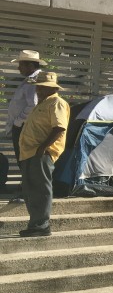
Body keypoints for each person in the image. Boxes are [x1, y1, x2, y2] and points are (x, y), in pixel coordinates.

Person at [17, 72, 70, 237]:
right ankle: (35, 224)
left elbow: (59, 128)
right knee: (30, 190)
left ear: (52, 88)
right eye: (38, 87)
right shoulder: (42, 103)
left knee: (40, 189)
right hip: (29, 153)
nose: (38, 90)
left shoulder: (56, 102)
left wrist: (42, 148)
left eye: (42, 87)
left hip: (41, 153)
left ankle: (41, 225)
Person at [5, 50, 46, 162]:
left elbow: (33, 105)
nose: (19, 68)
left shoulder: (34, 81)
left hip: (23, 127)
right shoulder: (29, 80)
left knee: (24, 160)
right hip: (22, 126)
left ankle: (27, 179)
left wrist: (18, 122)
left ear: (31, 65)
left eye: (21, 65)